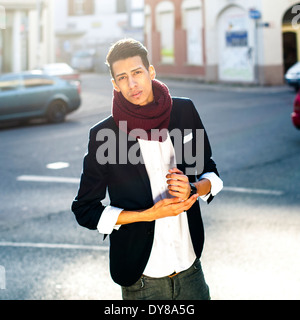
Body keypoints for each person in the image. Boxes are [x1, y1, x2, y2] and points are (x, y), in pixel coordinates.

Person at [71, 38, 223, 300]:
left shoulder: (184, 112)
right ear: (115, 84)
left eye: (137, 73)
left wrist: (193, 188)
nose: (132, 84)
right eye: (122, 78)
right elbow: (85, 209)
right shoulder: (104, 134)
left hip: (191, 269)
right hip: (142, 279)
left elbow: (210, 172)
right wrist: (147, 214)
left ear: (151, 72)